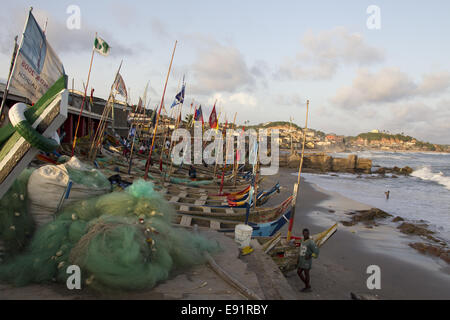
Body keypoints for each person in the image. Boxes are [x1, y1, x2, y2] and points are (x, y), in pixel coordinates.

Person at [297, 228, 319, 293]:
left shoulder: (311, 242)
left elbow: (316, 252)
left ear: (308, 234)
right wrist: (298, 258)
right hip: (301, 260)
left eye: (307, 233)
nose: (306, 234)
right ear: (303, 233)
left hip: (307, 262)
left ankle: (307, 287)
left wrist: (310, 256)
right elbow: (300, 250)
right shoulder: (302, 240)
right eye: (304, 233)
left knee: (306, 273)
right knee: (298, 272)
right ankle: (307, 284)